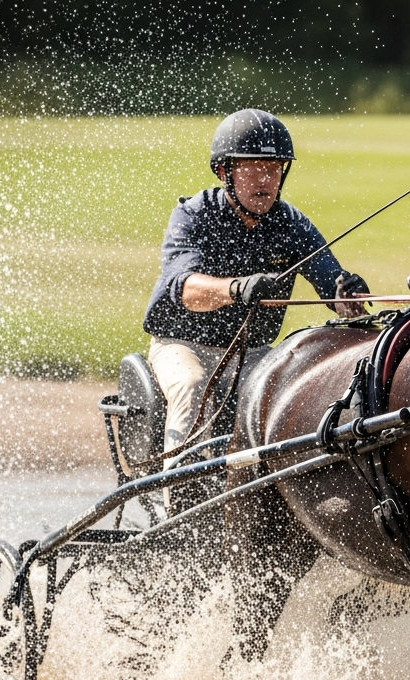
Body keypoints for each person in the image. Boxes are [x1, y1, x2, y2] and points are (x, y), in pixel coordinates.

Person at [142, 109, 370, 472]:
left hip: (252, 352)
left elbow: (333, 287)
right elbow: (184, 289)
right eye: (251, 168)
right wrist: (236, 288)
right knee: (192, 384)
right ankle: (179, 495)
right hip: (181, 346)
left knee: (290, 391)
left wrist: (349, 296)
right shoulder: (193, 214)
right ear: (224, 172)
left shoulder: (292, 224)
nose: (264, 180)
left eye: (274, 168)